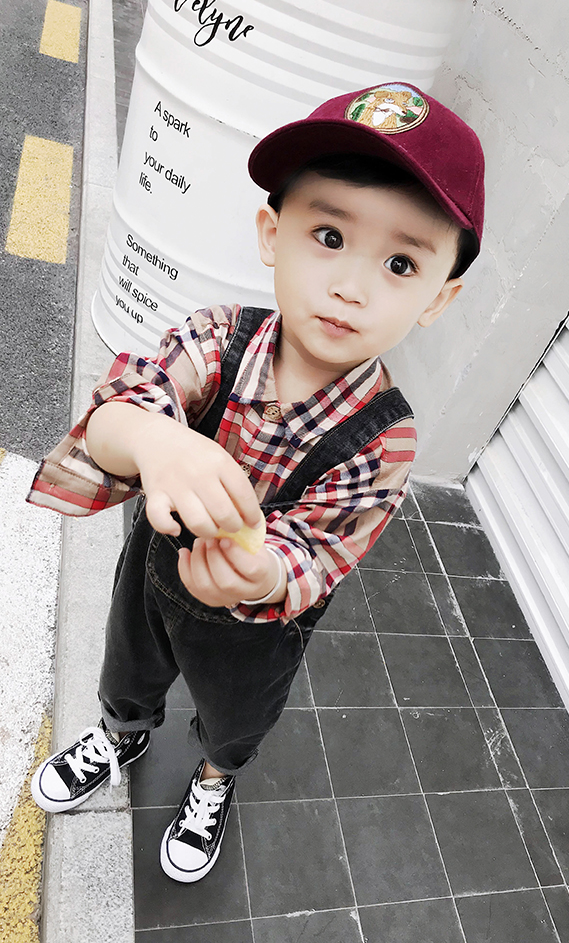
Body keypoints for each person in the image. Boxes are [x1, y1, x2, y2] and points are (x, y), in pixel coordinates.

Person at [28, 82, 484, 884]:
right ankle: (121, 733)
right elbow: (116, 412)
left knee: (237, 713)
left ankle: (214, 779)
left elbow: (324, 549)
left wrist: (265, 572)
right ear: (274, 233)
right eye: (329, 235)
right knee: (128, 666)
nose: (351, 286)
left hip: (260, 622)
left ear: (439, 297)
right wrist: (155, 438)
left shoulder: (386, 438)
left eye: (401, 263)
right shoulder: (214, 341)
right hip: (157, 569)